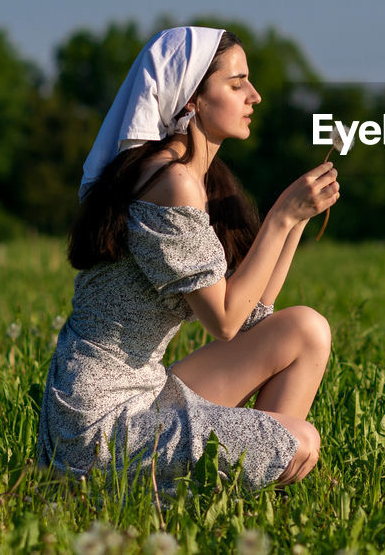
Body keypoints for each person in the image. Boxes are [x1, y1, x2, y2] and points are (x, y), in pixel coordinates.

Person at [36, 26, 339, 489]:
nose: (254, 96)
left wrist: (296, 220)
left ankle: (244, 489)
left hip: (146, 388)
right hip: (99, 422)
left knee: (306, 331)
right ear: (191, 99)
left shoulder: (192, 179)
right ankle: (226, 491)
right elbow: (224, 322)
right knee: (300, 442)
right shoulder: (171, 184)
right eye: (236, 84)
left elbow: (250, 314)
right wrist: (279, 217)